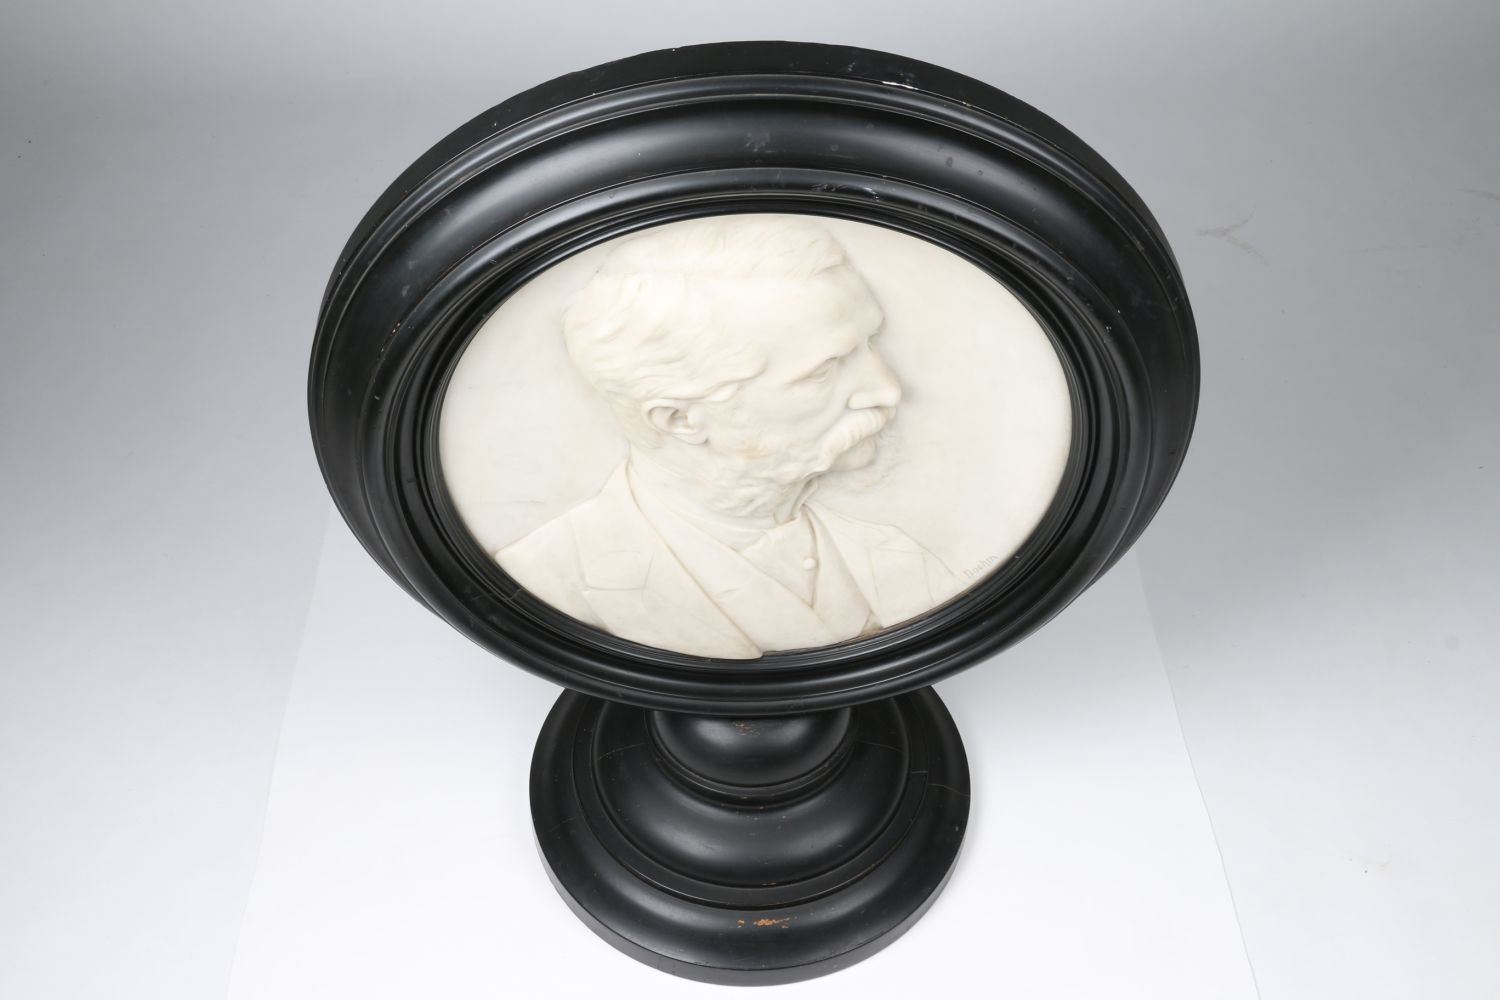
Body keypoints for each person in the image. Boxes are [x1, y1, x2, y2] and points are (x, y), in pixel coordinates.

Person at [498, 216, 959, 658]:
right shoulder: (546, 578)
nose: (887, 390)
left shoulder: (897, 559)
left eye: (869, 343)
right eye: (824, 370)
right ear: (680, 419)